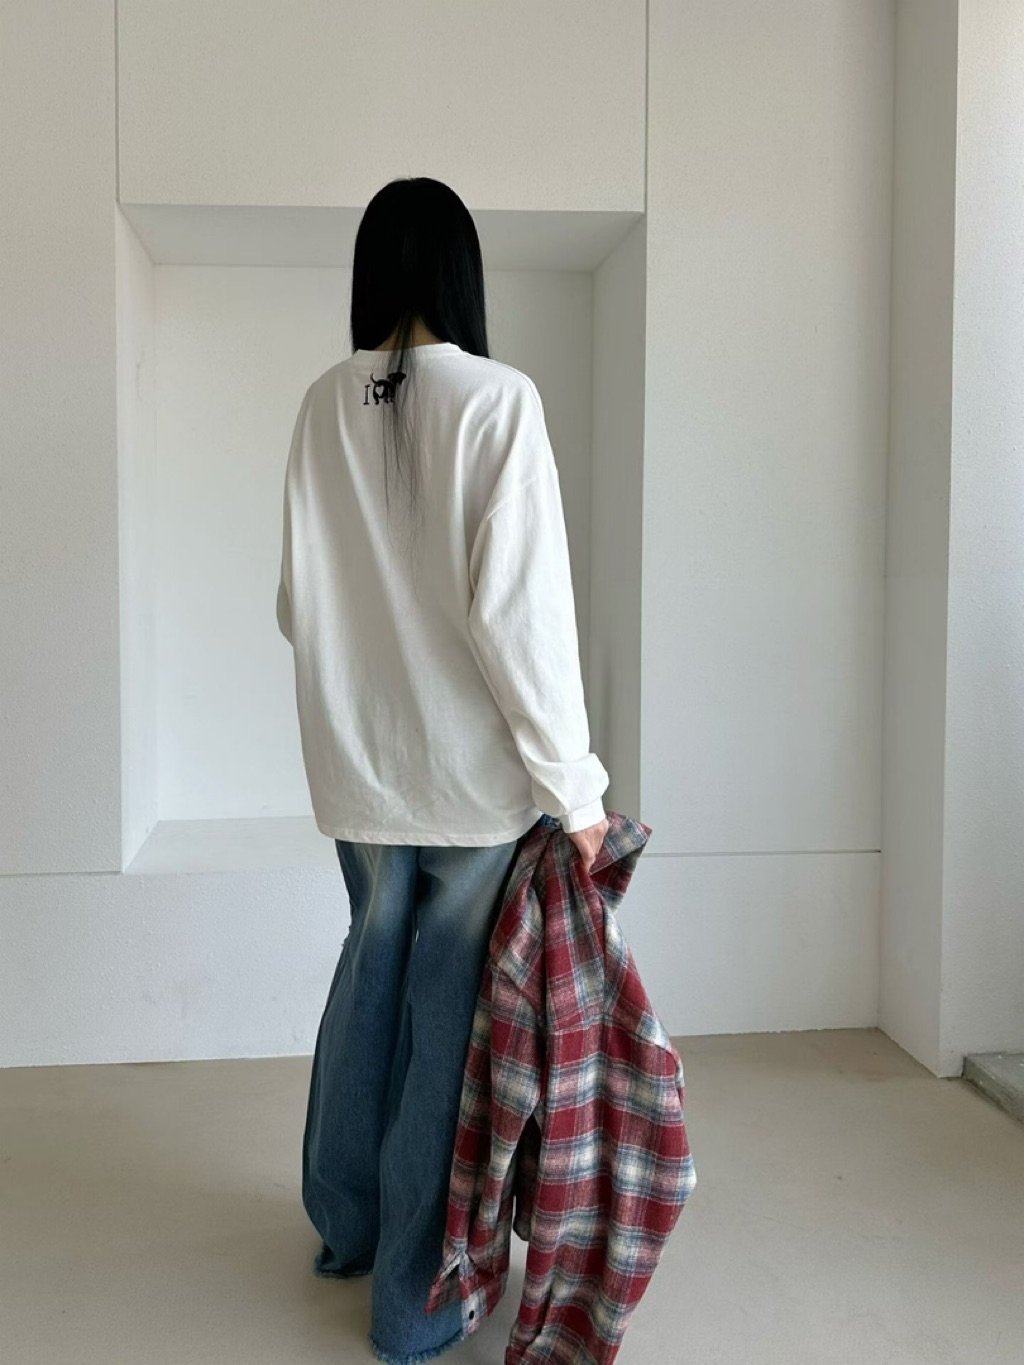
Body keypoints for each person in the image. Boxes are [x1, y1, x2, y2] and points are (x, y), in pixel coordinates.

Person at [275, 175, 609, 1365]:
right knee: (446, 1020)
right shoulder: (499, 402)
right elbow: (524, 622)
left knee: (366, 973)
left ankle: (345, 1226)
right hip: (470, 784)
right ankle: (416, 1303)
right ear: (463, 275)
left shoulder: (323, 403)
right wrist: (577, 791)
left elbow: (294, 606)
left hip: (358, 771)